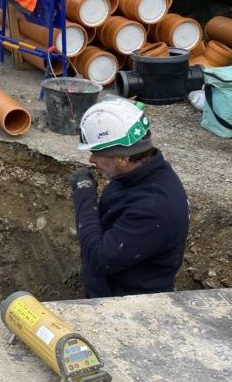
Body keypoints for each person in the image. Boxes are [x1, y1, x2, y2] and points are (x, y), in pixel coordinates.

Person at [68, 97, 189, 298]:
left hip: (129, 309)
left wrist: (84, 194)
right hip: (109, 291)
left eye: (96, 152)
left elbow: (99, 257)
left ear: (122, 158)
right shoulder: (134, 175)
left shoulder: (154, 208)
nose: (91, 159)